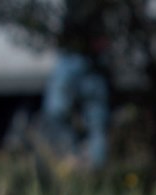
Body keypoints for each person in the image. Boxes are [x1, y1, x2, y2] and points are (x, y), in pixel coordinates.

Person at [40, 1, 109, 170]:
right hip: (73, 58)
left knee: (96, 122)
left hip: (92, 62)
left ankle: (94, 171)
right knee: (57, 111)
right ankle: (74, 160)